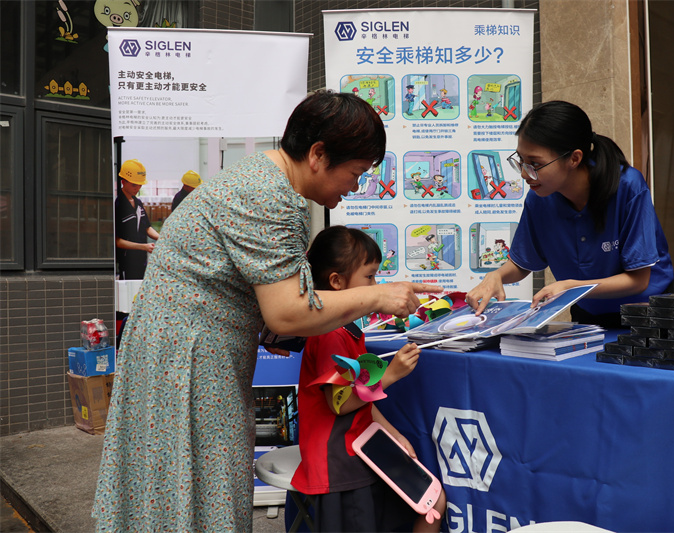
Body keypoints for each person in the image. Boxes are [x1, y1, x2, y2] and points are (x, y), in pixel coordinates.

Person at [93, 90, 442, 532]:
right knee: (198, 492)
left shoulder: (260, 181)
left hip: (178, 352)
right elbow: (287, 313)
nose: (354, 187)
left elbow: (259, 300)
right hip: (188, 363)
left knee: (176, 492)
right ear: (318, 154)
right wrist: (379, 296)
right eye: (354, 173)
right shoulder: (271, 196)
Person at [466, 100, 674, 328]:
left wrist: (570, 286)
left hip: (649, 313)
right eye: (521, 161)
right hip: (588, 311)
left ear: (574, 159)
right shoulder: (540, 198)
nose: (525, 175)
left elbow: (638, 280)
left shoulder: (627, 186)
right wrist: (496, 276)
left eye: (534, 164)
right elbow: (523, 262)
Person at [293, 225, 446, 532]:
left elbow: (364, 397)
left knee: (435, 502)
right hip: (339, 464)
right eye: (370, 277)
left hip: (364, 448)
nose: (377, 286)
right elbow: (341, 403)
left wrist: (394, 435)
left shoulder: (348, 328)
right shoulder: (330, 333)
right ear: (336, 281)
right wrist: (390, 375)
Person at [114, 159, 159, 280]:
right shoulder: (118, 205)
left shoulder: (138, 203)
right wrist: (143, 246)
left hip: (141, 260)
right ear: (123, 182)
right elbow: (117, 241)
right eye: (134, 184)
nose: (137, 188)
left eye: (140, 185)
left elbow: (147, 227)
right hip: (127, 262)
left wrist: (162, 238)